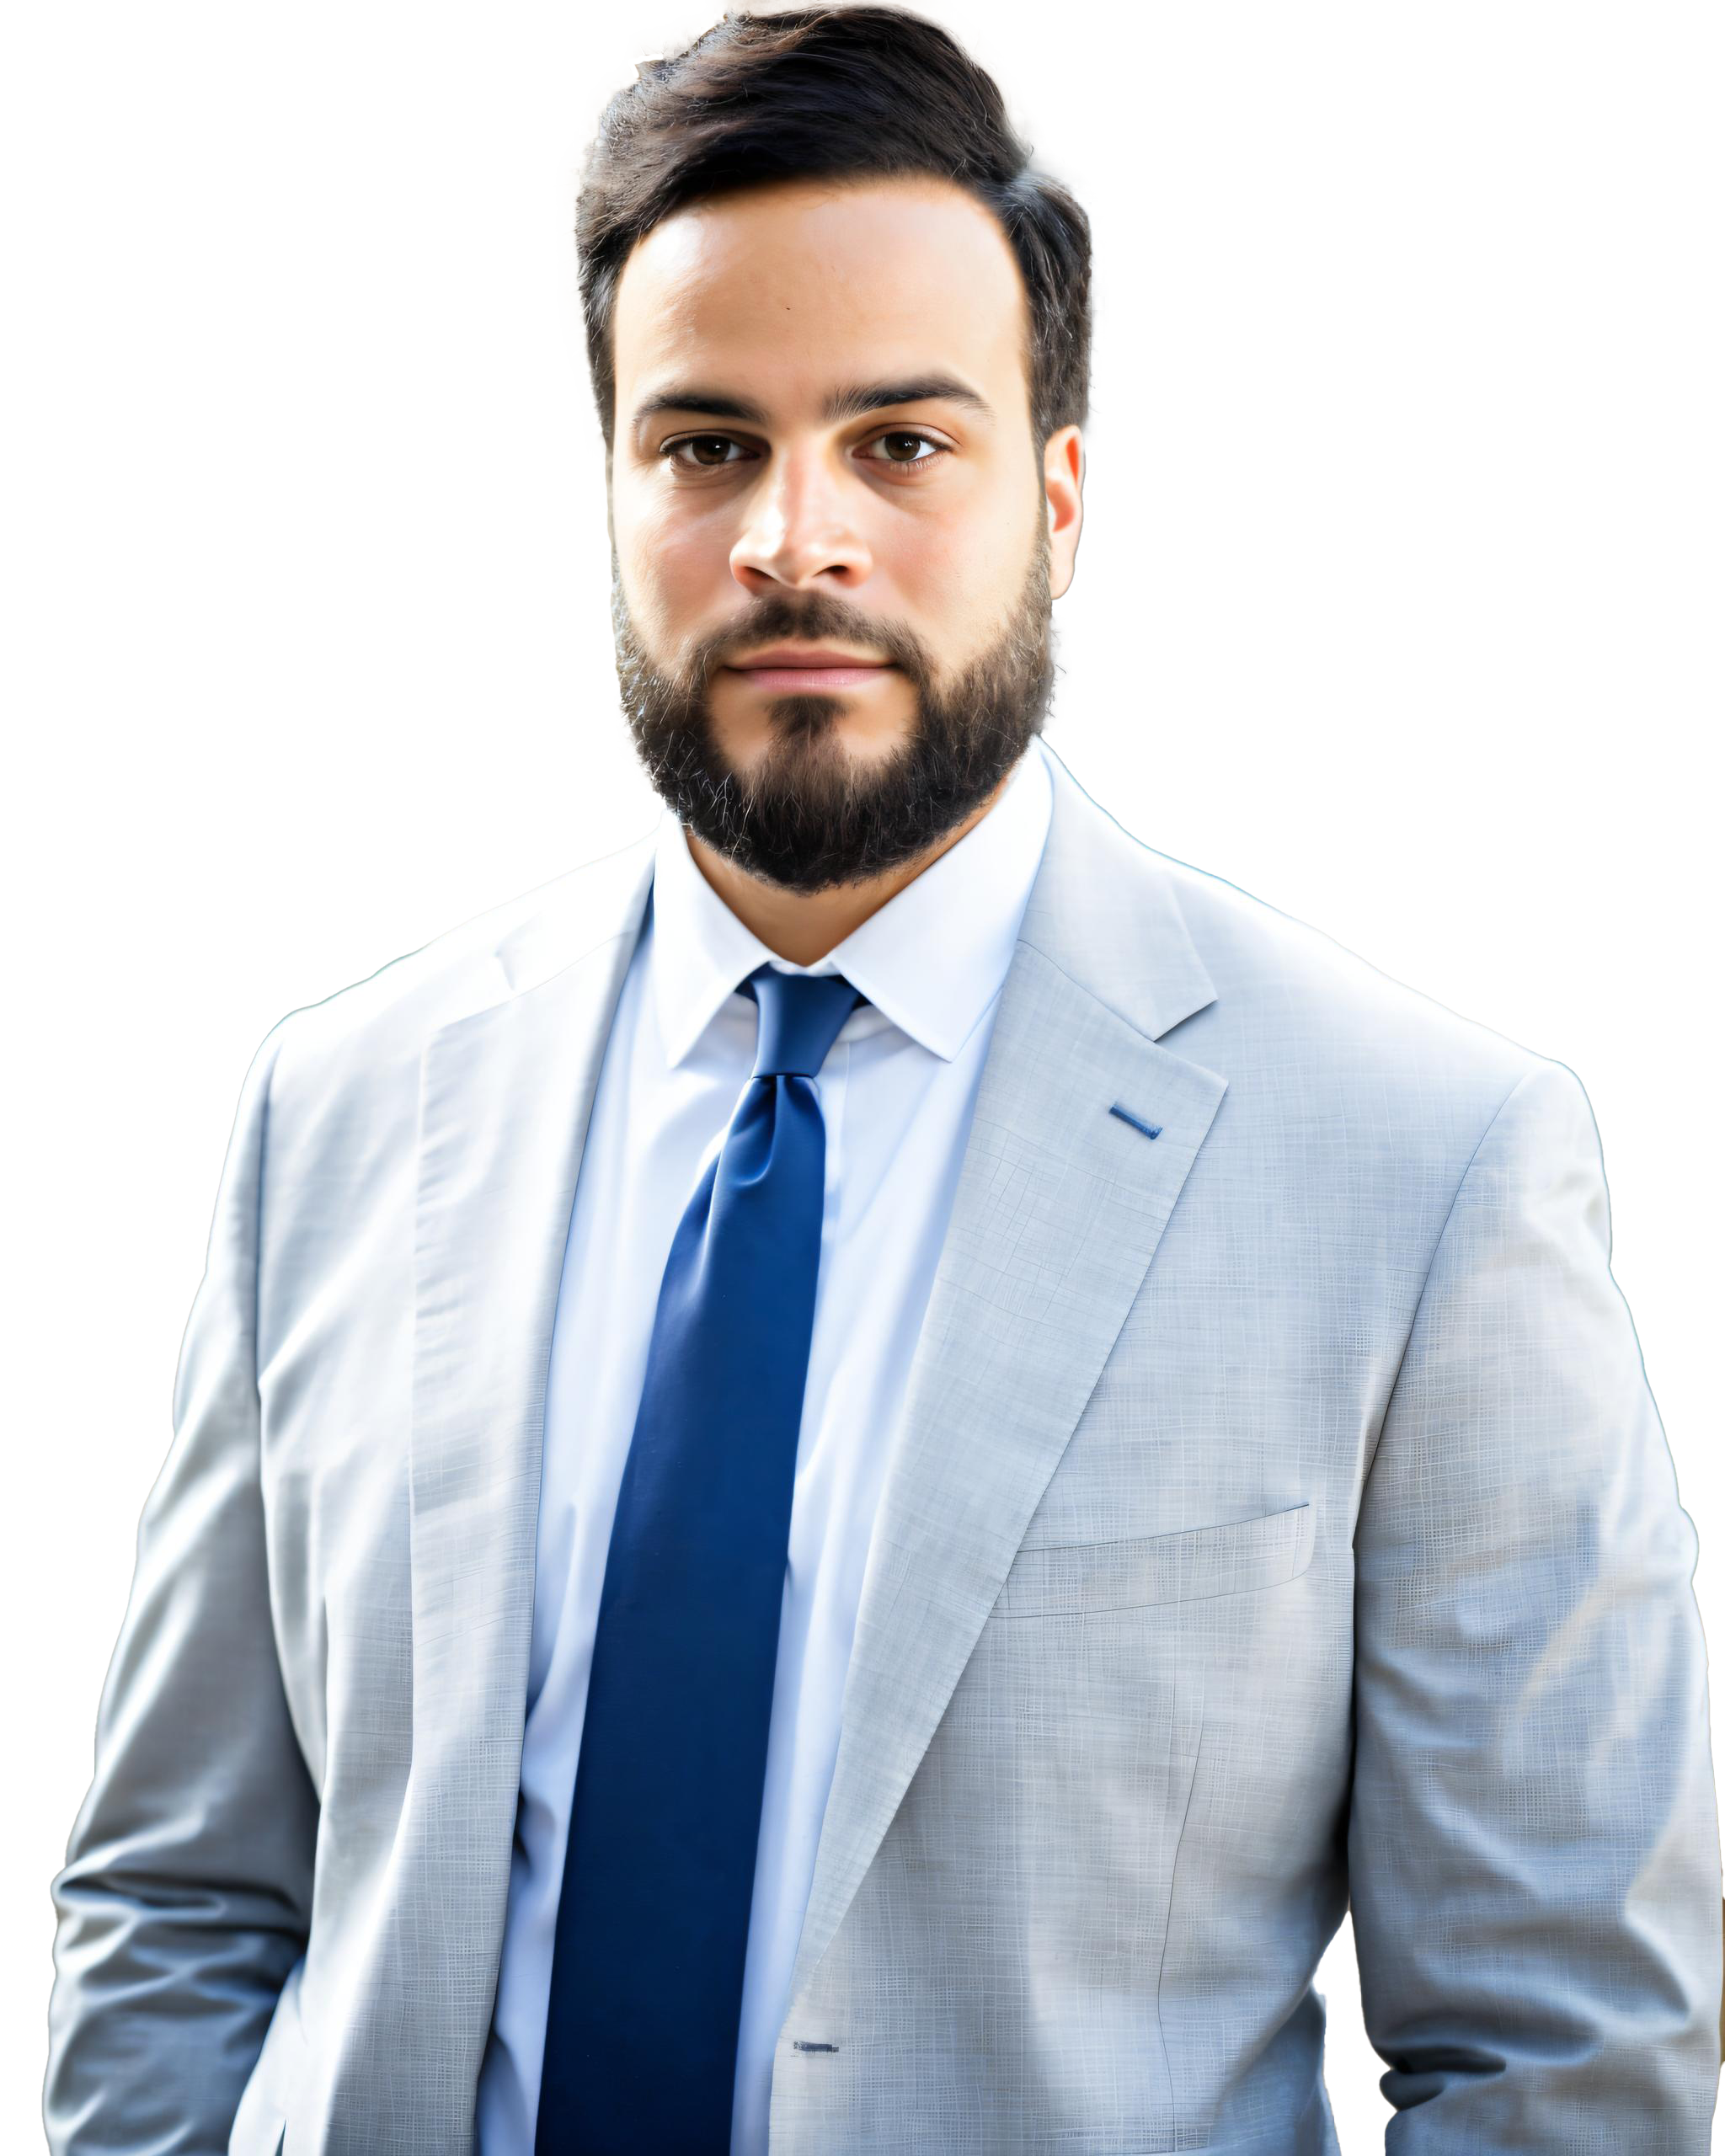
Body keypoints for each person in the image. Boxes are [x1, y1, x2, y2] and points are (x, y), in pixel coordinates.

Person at [43, 6, 1721, 2151]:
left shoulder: (1424, 1163)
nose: (793, 538)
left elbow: (1564, 2049)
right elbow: (178, 1903)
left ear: (1058, 502)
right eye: (704, 445)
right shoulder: (341, 1107)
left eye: (900, 443)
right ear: (611, 499)